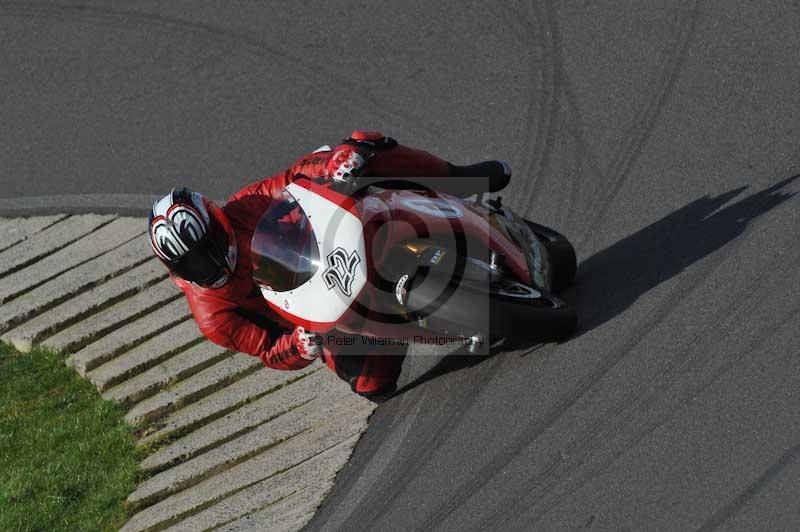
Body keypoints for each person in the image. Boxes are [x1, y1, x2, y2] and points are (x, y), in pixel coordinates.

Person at [148, 131, 510, 400]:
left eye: (207, 248)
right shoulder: (213, 316)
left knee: (364, 148)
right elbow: (267, 349)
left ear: (217, 221)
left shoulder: (248, 204)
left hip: (338, 249)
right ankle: (422, 323)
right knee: (371, 384)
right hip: (326, 317)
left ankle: (456, 179)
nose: (208, 264)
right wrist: (298, 346)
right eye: (192, 265)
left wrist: (336, 162)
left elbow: (296, 177)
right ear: (175, 270)